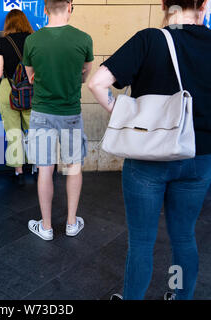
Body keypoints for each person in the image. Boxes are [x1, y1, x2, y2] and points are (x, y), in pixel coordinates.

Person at [89, 0, 211, 300]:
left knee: (141, 242)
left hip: (147, 159)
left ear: (164, 4)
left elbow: (97, 83)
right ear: (205, 4)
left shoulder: (150, 39)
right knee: (184, 237)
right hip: (199, 157)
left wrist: (120, 113)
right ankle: (179, 294)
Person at [23, 0, 94, 240]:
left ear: (45, 9)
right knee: (73, 167)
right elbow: (85, 74)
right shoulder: (84, 39)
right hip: (71, 114)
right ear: (70, 6)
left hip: (42, 113)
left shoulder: (32, 41)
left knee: (45, 169)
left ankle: (46, 227)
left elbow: (30, 77)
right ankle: (72, 223)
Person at [0, 9, 34, 184]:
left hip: (8, 89)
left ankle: (18, 170)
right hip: (31, 90)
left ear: (8, 24)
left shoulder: (2, 43)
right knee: (34, 130)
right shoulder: (34, 41)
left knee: (13, 131)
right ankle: (38, 165)